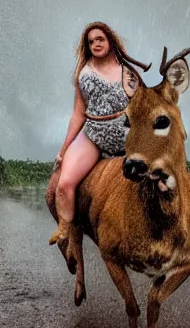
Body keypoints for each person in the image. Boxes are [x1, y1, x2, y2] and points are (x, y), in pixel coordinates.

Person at [49, 21, 144, 247]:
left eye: (100, 39)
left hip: (127, 136)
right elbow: (78, 115)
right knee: (64, 183)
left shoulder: (128, 73)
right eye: (91, 41)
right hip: (94, 135)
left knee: (155, 174)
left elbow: (142, 107)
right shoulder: (84, 74)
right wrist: (64, 148)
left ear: (110, 40)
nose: (95, 44)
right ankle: (64, 230)